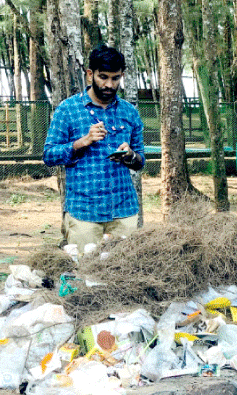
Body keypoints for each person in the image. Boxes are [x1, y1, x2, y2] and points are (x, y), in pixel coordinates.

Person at [44, 44, 145, 251]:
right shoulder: (68, 109)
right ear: (90, 74)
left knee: (126, 269)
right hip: (84, 214)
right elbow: (49, 155)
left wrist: (130, 155)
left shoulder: (129, 112)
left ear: (122, 76)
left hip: (124, 211)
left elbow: (140, 161)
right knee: (84, 269)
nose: (109, 84)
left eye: (115, 78)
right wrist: (82, 142)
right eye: (103, 77)